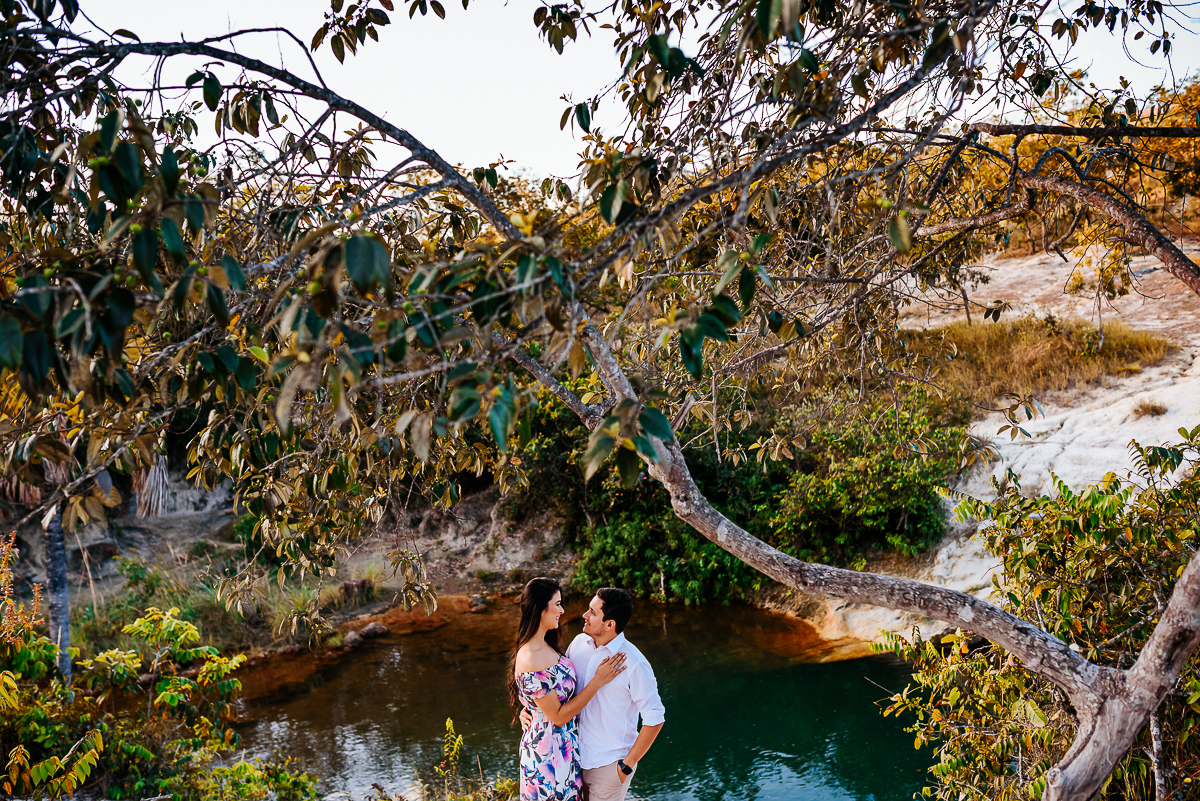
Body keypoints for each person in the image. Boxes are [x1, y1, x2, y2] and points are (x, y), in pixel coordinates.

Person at [524, 587, 665, 801]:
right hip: (571, 762)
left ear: (609, 624)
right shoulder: (579, 644)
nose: (584, 615)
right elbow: (558, 688)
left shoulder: (634, 663)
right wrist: (532, 709)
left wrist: (626, 766)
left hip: (608, 767)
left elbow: (655, 718)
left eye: (592, 612)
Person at [510, 577, 628, 801]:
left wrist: (532, 709)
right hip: (547, 754)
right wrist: (597, 681)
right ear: (541, 608)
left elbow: (546, 698)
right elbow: (558, 716)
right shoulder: (530, 656)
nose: (562, 610)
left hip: (565, 748)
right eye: (557, 604)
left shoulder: (546, 644)